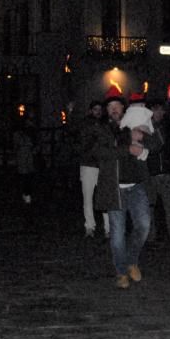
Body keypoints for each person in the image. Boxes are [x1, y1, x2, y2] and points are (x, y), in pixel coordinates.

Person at [92, 91, 161, 289]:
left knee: (144, 226)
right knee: (117, 234)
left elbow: (156, 144)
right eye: (110, 106)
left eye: (117, 105)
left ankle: (131, 261)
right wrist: (127, 147)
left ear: (124, 108)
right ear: (107, 111)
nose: (114, 109)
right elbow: (99, 152)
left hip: (137, 185)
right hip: (114, 189)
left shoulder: (135, 121)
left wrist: (143, 136)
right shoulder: (103, 129)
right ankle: (121, 272)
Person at [145, 97, 170, 250]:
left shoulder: (168, 126)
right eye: (157, 109)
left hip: (167, 172)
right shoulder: (145, 128)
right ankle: (150, 237)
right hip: (151, 172)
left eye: (162, 109)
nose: (160, 112)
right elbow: (150, 148)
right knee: (150, 207)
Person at [78, 100, 107, 238]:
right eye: (95, 109)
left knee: (105, 197)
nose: (98, 112)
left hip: (102, 165)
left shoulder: (105, 124)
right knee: (88, 198)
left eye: (100, 109)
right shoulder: (85, 124)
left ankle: (108, 227)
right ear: (90, 111)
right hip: (88, 164)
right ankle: (89, 226)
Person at [13, 114, 39, 204]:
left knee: (29, 175)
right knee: (24, 176)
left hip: (29, 155)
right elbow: (16, 145)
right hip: (23, 155)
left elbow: (37, 144)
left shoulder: (32, 133)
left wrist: (34, 151)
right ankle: (26, 193)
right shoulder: (18, 134)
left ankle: (27, 193)